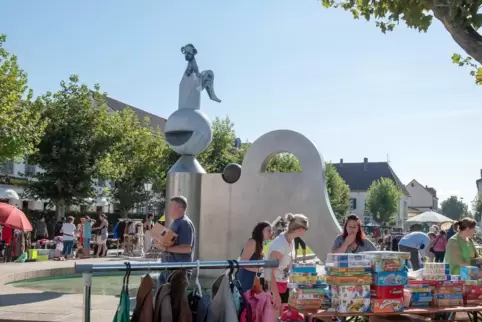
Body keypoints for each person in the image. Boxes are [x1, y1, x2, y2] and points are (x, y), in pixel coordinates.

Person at [266, 213, 309, 314]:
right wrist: (275, 294)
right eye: (305, 229)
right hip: (273, 285)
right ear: (300, 229)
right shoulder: (280, 244)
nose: (305, 232)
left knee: (283, 316)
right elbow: (268, 270)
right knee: (274, 317)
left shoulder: (290, 240)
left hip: (283, 284)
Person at [157, 196, 195, 288]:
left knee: (172, 301)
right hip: (169, 269)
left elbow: (187, 248)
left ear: (180, 208)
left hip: (178, 271)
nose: (169, 209)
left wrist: (166, 248)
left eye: (171, 206)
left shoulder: (185, 223)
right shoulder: (176, 222)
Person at [236, 221, 272, 293]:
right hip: (246, 280)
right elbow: (242, 263)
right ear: (261, 230)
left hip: (253, 280)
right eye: (269, 230)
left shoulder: (260, 244)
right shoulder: (252, 242)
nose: (271, 233)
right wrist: (258, 270)